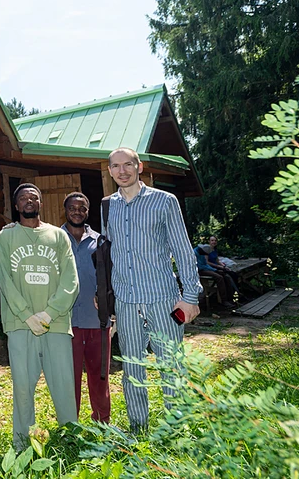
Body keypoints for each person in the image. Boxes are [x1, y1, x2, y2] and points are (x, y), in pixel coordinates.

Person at [105, 147, 202, 433]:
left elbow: (183, 251)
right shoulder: (106, 206)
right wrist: (110, 307)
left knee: (171, 365)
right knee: (132, 368)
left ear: (139, 166)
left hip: (164, 300)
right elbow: (107, 257)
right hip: (125, 302)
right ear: (110, 171)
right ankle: (139, 427)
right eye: (115, 166)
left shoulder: (165, 201)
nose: (122, 171)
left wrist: (190, 297)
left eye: (127, 164)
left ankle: (177, 427)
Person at [0, 183, 79, 448]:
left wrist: (50, 312)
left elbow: (71, 279)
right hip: (20, 325)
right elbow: (5, 280)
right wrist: (25, 314)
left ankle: (71, 439)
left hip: (55, 323)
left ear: (41, 203)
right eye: (23, 198)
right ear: (16, 205)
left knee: (65, 386)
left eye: (34, 197)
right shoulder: (5, 237)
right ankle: (22, 445)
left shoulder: (58, 236)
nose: (29, 201)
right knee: (22, 388)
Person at [61, 191, 111, 423]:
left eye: (82, 208)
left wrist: (108, 302)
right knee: (69, 378)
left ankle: (102, 421)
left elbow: (111, 275)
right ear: (66, 210)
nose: (77, 212)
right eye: (73, 207)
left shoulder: (100, 241)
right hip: (65, 321)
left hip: (96, 320)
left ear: (88, 212)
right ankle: (71, 423)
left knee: (99, 375)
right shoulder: (54, 238)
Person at [195, 236, 239, 308]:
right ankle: (223, 300)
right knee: (219, 277)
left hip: (204, 268)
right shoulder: (195, 253)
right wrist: (215, 270)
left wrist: (219, 269)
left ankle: (230, 297)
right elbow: (202, 266)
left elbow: (206, 264)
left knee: (225, 276)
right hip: (199, 270)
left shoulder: (203, 252)